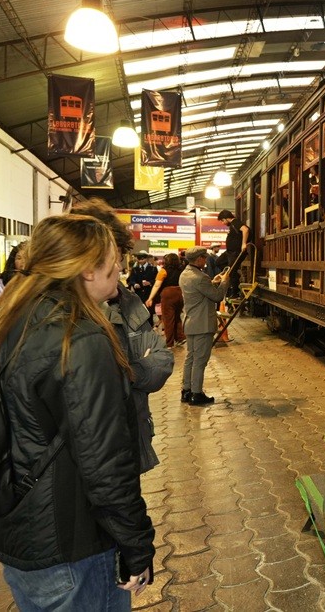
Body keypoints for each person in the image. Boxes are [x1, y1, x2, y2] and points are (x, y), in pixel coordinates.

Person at [0, 214, 154, 609]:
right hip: (72, 546)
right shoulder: (80, 338)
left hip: (22, 529)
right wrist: (136, 544)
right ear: (88, 269)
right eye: (113, 258)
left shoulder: (15, 316)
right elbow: (104, 460)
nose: (121, 267)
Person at [71, 198, 173, 474]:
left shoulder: (126, 300)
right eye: (113, 259)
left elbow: (162, 358)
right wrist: (130, 371)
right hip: (90, 463)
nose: (119, 267)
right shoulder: (60, 318)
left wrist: (129, 372)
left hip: (128, 438)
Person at [179, 246, 229, 405]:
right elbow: (217, 296)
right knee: (200, 360)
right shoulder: (200, 277)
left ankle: (186, 391)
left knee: (190, 358)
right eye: (204, 257)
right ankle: (197, 394)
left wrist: (213, 281)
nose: (206, 260)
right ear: (199, 259)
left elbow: (200, 289)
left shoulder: (185, 274)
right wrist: (225, 283)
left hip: (190, 322)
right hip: (202, 324)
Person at [145, 253, 185, 348]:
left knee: (168, 319)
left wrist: (150, 298)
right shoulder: (182, 270)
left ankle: (169, 343)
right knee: (177, 317)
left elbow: (157, 285)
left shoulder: (163, 271)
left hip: (168, 294)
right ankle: (180, 338)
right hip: (180, 293)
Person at [0, 243, 28, 322]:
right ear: (13, 260)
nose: (23, 262)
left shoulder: (39, 282)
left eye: (27, 258)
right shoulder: (0, 282)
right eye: (19, 258)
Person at [217, 209, 249, 283]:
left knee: (232, 271)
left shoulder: (235, 222)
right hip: (230, 252)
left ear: (226, 218)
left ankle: (234, 291)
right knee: (218, 262)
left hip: (235, 252)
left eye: (222, 220)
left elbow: (245, 230)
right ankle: (231, 275)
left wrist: (244, 243)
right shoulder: (232, 225)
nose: (222, 223)